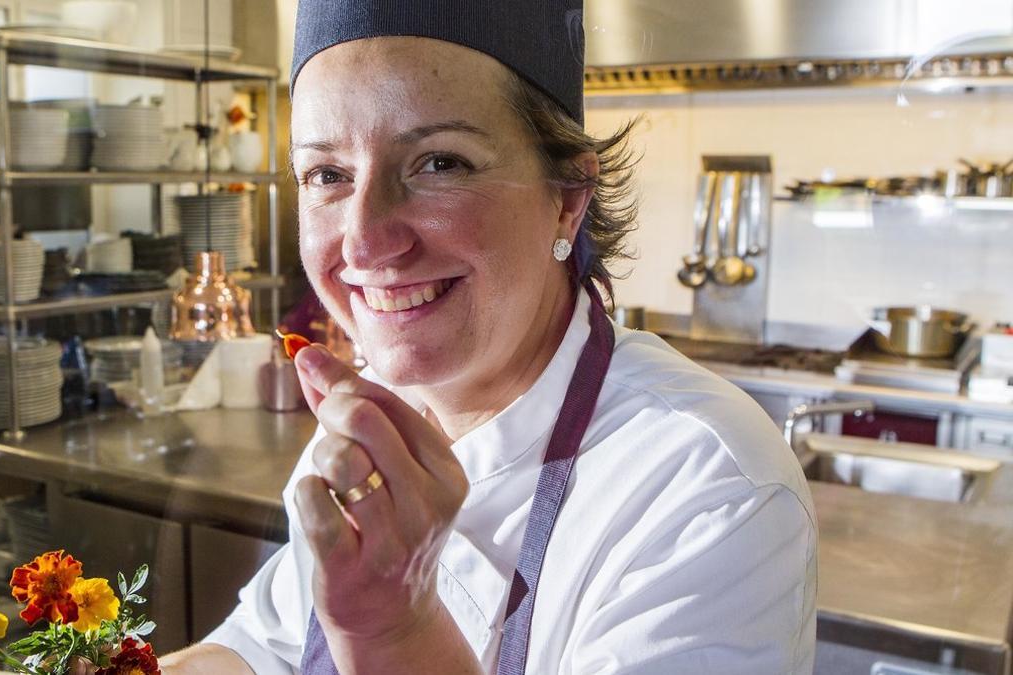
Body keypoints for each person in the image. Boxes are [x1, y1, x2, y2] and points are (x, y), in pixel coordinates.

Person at [161, 1, 817, 672]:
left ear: (567, 197)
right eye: (327, 175)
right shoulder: (369, 419)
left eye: (440, 163)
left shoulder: (708, 490)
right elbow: (256, 651)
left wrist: (394, 627)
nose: (364, 238)